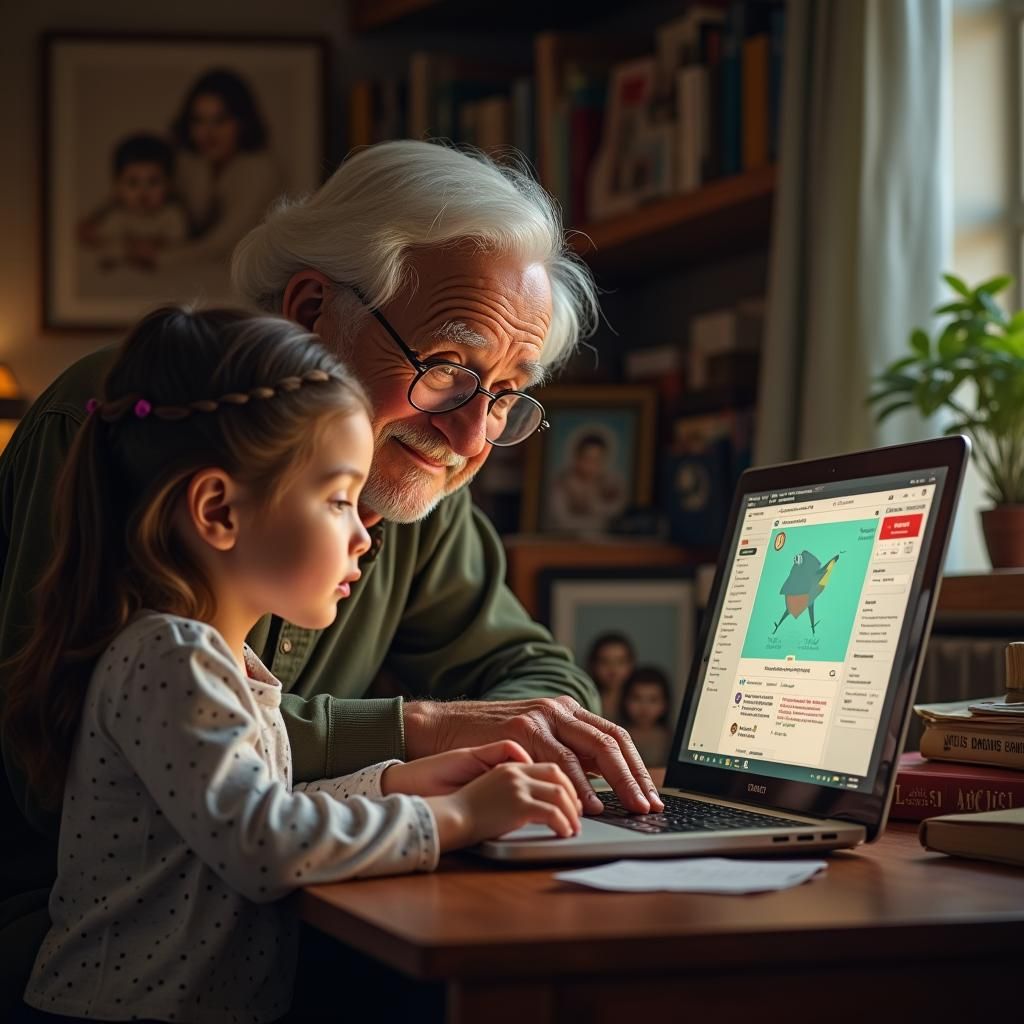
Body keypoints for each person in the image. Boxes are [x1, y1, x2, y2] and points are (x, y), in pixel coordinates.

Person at [0, 139, 661, 1008]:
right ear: (313, 309)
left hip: (255, 937)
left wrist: (501, 745)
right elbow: (63, 763)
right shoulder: (136, 431)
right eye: (448, 368)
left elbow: (533, 677)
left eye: (505, 394)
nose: (471, 439)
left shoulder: (418, 483)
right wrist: (420, 739)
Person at [4, 307, 581, 1024]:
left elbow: (261, 805)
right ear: (219, 511)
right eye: (339, 499)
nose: (364, 534)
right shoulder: (169, 661)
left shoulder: (224, 661)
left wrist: (396, 780)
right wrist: (456, 816)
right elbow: (264, 844)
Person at [125, 69, 281, 271]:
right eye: (199, 121)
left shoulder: (261, 171)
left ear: (242, 122)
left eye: (220, 120)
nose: (208, 132)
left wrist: (158, 256)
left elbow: (222, 245)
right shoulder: (191, 163)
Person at [79, 134, 187, 270]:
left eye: (153, 182)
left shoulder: (172, 215)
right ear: (117, 187)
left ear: (169, 185)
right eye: (132, 183)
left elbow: (179, 247)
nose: (143, 192)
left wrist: (157, 247)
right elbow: (104, 246)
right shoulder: (118, 217)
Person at [546, 431, 628, 533]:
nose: (592, 465)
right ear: (577, 458)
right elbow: (560, 519)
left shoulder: (612, 484)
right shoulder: (563, 483)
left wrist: (595, 502)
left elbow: (617, 513)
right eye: (588, 459)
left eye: (598, 460)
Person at [619, 667, 673, 768]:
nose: (644, 707)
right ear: (625, 701)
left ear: (665, 704)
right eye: (636, 698)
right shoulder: (616, 737)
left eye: (653, 700)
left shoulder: (672, 739)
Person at [585, 632, 636, 722]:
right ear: (593, 665)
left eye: (620, 662)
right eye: (604, 662)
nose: (613, 670)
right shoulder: (583, 701)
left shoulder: (639, 704)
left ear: (631, 664)